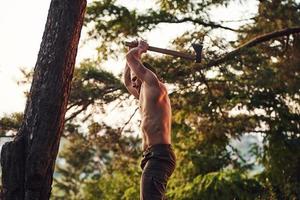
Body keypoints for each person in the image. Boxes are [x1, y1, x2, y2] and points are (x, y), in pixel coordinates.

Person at [123, 40, 176, 200]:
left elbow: (131, 59)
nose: (133, 82)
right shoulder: (143, 94)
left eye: (135, 77)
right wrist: (131, 49)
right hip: (150, 156)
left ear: (146, 75)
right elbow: (126, 82)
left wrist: (139, 49)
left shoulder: (155, 86)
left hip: (159, 155)